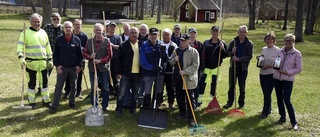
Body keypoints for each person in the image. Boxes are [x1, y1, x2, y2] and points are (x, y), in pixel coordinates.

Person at [16, 13, 52, 108]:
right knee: (32, 82)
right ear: (31, 22)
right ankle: (31, 101)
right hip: (31, 63)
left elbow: (48, 47)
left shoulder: (43, 32)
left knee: (44, 82)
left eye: (38, 22)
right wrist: (21, 58)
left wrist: (50, 59)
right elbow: (20, 47)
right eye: (35, 22)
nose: (37, 23)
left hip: (43, 62)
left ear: (41, 22)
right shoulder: (25, 33)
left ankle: (46, 100)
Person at [49, 21, 83, 114]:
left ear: (72, 29)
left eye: (70, 27)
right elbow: (55, 54)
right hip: (62, 68)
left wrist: (79, 65)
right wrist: (57, 65)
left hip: (73, 68)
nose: (68, 29)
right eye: (66, 27)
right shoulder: (59, 39)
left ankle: (72, 103)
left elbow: (80, 54)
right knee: (59, 87)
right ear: (63, 29)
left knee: (73, 86)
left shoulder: (77, 40)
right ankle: (55, 105)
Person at [169, 34, 199, 127]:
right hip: (178, 79)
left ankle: (191, 118)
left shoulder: (193, 52)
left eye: (183, 41)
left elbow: (195, 66)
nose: (181, 42)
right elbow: (170, 62)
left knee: (190, 99)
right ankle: (182, 113)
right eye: (181, 41)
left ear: (188, 41)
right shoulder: (176, 51)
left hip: (188, 79)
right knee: (179, 97)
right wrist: (174, 59)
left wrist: (185, 72)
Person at [273, 34, 302, 131]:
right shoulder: (280, 51)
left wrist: (287, 72)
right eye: (286, 40)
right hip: (277, 78)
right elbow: (276, 62)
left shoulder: (297, 53)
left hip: (288, 80)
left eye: (290, 41)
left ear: (294, 42)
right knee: (279, 99)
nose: (288, 42)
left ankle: (294, 122)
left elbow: (298, 68)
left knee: (287, 100)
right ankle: (282, 117)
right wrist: (275, 66)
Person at [83, 23, 113, 112]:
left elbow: (110, 55)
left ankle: (105, 105)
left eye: (100, 30)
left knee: (105, 87)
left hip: (103, 68)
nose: (98, 31)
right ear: (94, 31)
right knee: (94, 87)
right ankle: (95, 105)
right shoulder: (89, 42)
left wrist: (100, 60)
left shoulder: (107, 41)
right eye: (96, 30)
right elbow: (84, 53)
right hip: (93, 69)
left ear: (103, 31)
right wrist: (90, 57)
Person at [223, 25, 253, 109]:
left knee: (242, 86)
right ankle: (229, 103)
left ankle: (241, 103)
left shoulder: (249, 43)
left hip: (243, 68)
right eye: (240, 32)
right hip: (233, 67)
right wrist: (232, 52)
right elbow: (227, 54)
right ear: (238, 32)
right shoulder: (233, 42)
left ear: (246, 33)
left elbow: (249, 56)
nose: (242, 33)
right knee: (231, 86)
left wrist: (239, 59)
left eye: (243, 32)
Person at [114, 27, 141, 117]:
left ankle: (133, 109)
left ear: (138, 34)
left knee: (135, 93)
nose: (134, 34)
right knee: (122, 93)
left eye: (135, 33)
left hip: (137, 73)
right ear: (129, 34)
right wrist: (118, 72)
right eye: (132, 33)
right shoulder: (123, 45)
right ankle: (119, 110)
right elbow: (117, 60)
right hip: (125, 73)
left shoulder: (141, 45)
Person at [199, 26, 228, 107]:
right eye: (214, 31)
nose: (215, 33)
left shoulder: (222, 43)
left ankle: (212, 102)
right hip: (206, 67)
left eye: (217, 32)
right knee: (202, 84)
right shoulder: (206, 42)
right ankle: (199, 101)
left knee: (214, 85)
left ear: (219, 32)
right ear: (211, 32)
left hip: (216, 67)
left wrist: (222, 49)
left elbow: (225, 55)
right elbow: (203, 55)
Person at [140, 28, 168, 108]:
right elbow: (143, 61)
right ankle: (147, 107)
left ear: (158, 35)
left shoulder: (161, 44)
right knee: (147, 90)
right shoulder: (144, 45)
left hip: (159, 72)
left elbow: (166, 59)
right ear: (149, 35)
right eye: (152, 35)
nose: (153, 36)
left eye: (155, 35)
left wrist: (163, 52)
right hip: (148, 73)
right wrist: (152, 68)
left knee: (159, 90)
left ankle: (156, 106)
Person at [257, 31, 280, 119]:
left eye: (271, 39)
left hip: (271, 74)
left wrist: (269, 66)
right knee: (265, 92)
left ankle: (265, 112)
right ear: (265, 40)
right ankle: (268, 108)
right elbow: (262, 58)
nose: (269, 40)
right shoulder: (264, 49)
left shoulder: (277, 50)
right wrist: (259, 59)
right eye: (267, 39)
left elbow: (278, 63)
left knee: (267, 93)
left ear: (274, 40)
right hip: (262, 73)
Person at [64, 19, 88, 99]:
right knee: (68, 76)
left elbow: (86, 48)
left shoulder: (84, 36)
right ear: (73, 25)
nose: (77, 26)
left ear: (81, 26)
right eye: (76, 24)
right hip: (69, 59)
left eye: (79, 25)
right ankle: (67, 91)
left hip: (80, 60)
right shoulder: (69, 34)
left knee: (79, 76)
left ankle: (78, 91)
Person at [160, 28, 178, 109]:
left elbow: (174, 58)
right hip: (160, 70)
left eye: (167, 35)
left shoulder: (174, 46)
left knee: (170, 88)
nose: (166, 36)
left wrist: (169, 61)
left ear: (170, 36)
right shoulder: (159, 44)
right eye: (164, 35)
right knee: (159, 87)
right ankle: (159, 102)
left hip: (170, 70)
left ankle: (171, 103)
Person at [188, 28, 205, 108]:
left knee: (195, 86)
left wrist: (201, 69)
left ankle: (195, 103)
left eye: (194, 33)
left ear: (196, 34)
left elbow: (203, 57)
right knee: (187, 86)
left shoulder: (200, 45)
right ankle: (187, 102)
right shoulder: (186, 43)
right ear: (189, 34)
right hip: (187, 69)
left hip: (197, 69)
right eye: (191, 33)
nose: (192, 35)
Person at [107, 22, 123, 98]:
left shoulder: (118, 37)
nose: (112, 28)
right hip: (106, 60)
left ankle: (117, 92)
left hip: (115, 61)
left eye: (114, 27)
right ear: (108, 27)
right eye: (111, 27)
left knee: (115, 77)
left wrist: (112, 45)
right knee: (106, 77)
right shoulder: (104, 37)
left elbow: (120, 47)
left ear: (115, 28)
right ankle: (110, 91)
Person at [137, 24, 150, 107]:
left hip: (146, 65)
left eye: (144, 29)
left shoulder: (149, 39)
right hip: (137, 64)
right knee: (139, 84)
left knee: (146, 84)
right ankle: (139, 101)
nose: (143, 31)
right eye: (141, 29)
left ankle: (146, 101)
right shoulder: (136, 39)